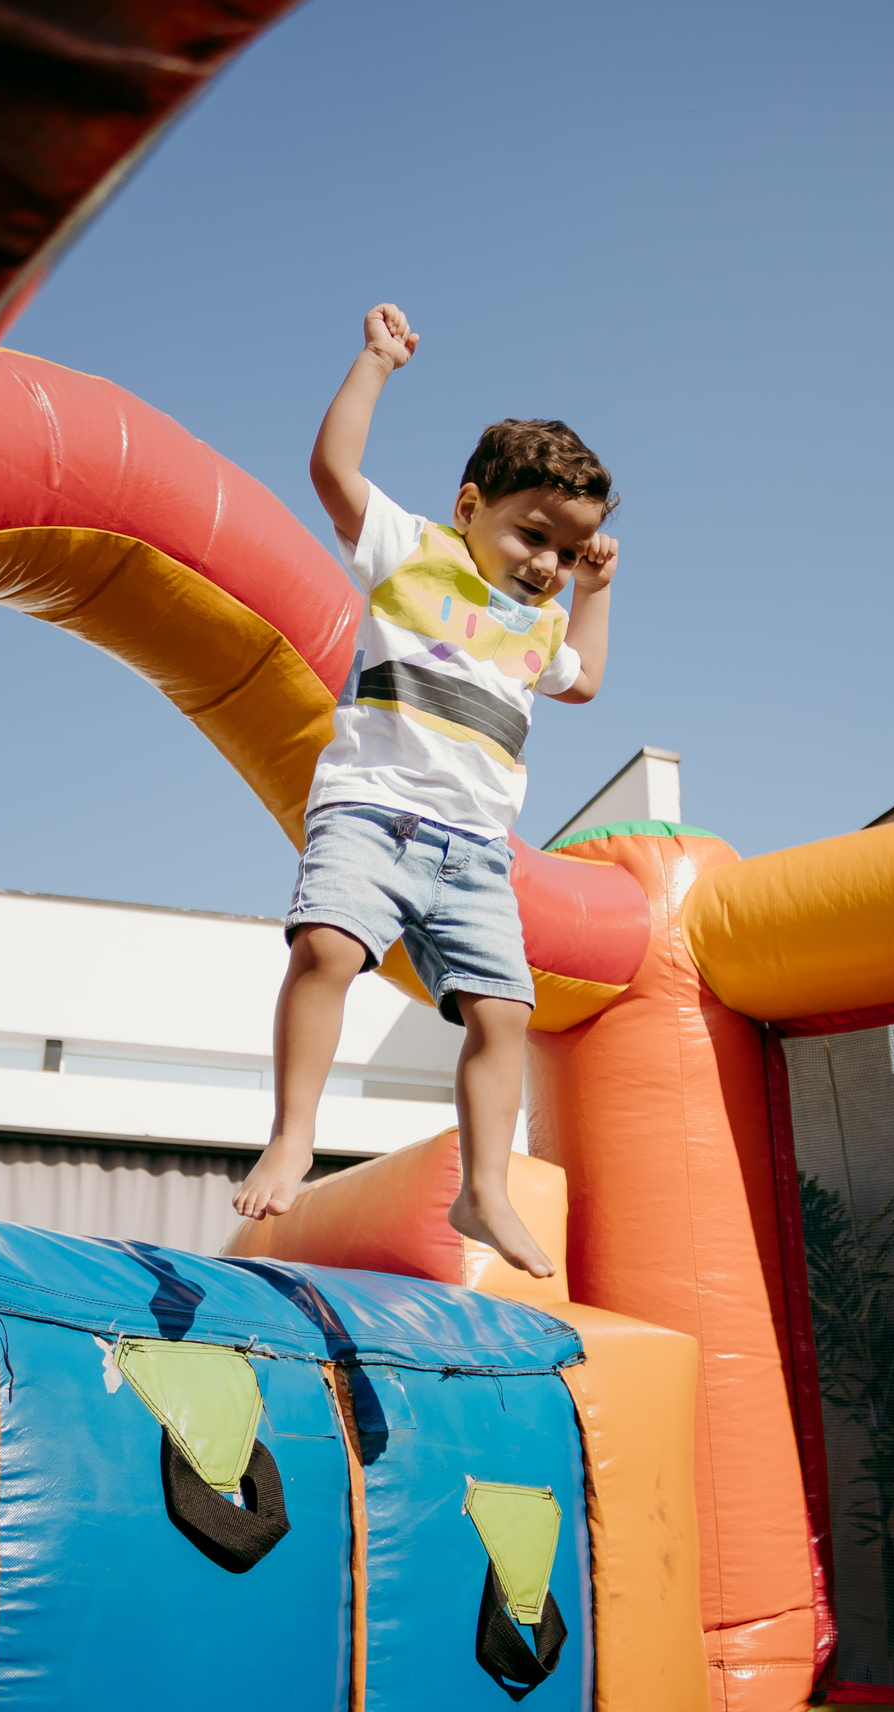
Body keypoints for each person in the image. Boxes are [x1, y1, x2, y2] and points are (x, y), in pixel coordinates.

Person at [232, 304, 617, 1277]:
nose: (547, 565)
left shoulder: (541, 625)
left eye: (567, 553)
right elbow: (333, 472)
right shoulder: (412, 550)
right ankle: (293, 1135)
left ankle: (484, 1188)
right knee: (327, 947)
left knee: (503, 1014)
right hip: (372, 810)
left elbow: (585, 683)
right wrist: (374, 364)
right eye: (534, 535)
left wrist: (596, 593)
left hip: (475, 851)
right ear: (470, 505)